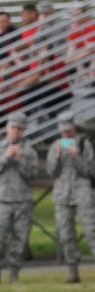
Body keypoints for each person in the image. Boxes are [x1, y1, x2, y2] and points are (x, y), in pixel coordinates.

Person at [0, 117, 40, 283]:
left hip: (23, 200)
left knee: (20, 239)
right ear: (7, 128)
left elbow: (33, 175)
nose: (17, 131)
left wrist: (21, 159)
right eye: (14, 127)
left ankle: (14, 275)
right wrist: (5, 157)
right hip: (2, 200)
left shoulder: (30, 151)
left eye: (20, 128)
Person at [48, 118, 92, 283]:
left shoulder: (84, 145)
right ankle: (73, 272)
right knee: (66, 233)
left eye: (69, 131)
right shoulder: (55, 146)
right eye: (63, 132)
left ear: (74, 129)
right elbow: (52, 172)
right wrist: (58, 156)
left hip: (82, 192)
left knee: (91, 230)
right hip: (62, 194)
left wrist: (77, 156)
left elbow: (90, 170)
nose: (66, 135)